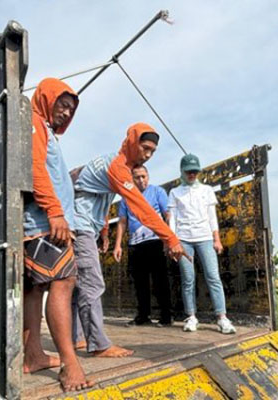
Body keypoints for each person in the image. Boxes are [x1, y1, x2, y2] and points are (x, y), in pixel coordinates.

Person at [71, 122, 189, 358]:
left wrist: (104, 231)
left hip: (82, 223)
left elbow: (99, 197)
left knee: (77, 284)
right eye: (145, 148)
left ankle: (77, 337)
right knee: (92, 283)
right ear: (132, 142)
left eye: (153, 151)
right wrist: (170, 238)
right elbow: (142, 209)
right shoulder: (118, 167)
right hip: (79, 225)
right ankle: (99, 345)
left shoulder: (114, 164)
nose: (148, 155)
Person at [21, 78, 92, 391]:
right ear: (46, 98)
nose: (66, 113)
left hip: (41, 223)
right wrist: (54, 211)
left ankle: (33, 355)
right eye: (62, 104)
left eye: (71, 110)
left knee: (36, 290)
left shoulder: (43, 129)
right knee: (64, 283)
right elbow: (35, 168)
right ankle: (69, 364)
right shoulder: (35, 123)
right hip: (44, 223)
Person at [167, 154, 236, 335]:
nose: (192, 174)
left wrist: (217, 239)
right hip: (183, 239)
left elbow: (212, 217)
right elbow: (172, 219)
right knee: (188, 278)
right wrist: (172, 242)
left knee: (213, 276)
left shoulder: (207, 190)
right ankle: (191, 316)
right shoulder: (174, 193)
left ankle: (222, 317)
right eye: (188, 171)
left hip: (205, 237)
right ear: (182, 171)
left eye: (195, 171)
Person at [112, 164, 173, 327]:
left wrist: (169, 239)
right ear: (132, 179)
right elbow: (122, 222)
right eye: (137, 177)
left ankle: (166, 315)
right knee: (140, 282)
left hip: (155, 241)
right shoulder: (126, 197)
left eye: (143, 176)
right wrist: (117, 245)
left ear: (148, 176)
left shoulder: (158, 191)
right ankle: (143, 315)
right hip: (135, 244)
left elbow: (168, 215)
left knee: (160, 280)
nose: (141, 180)